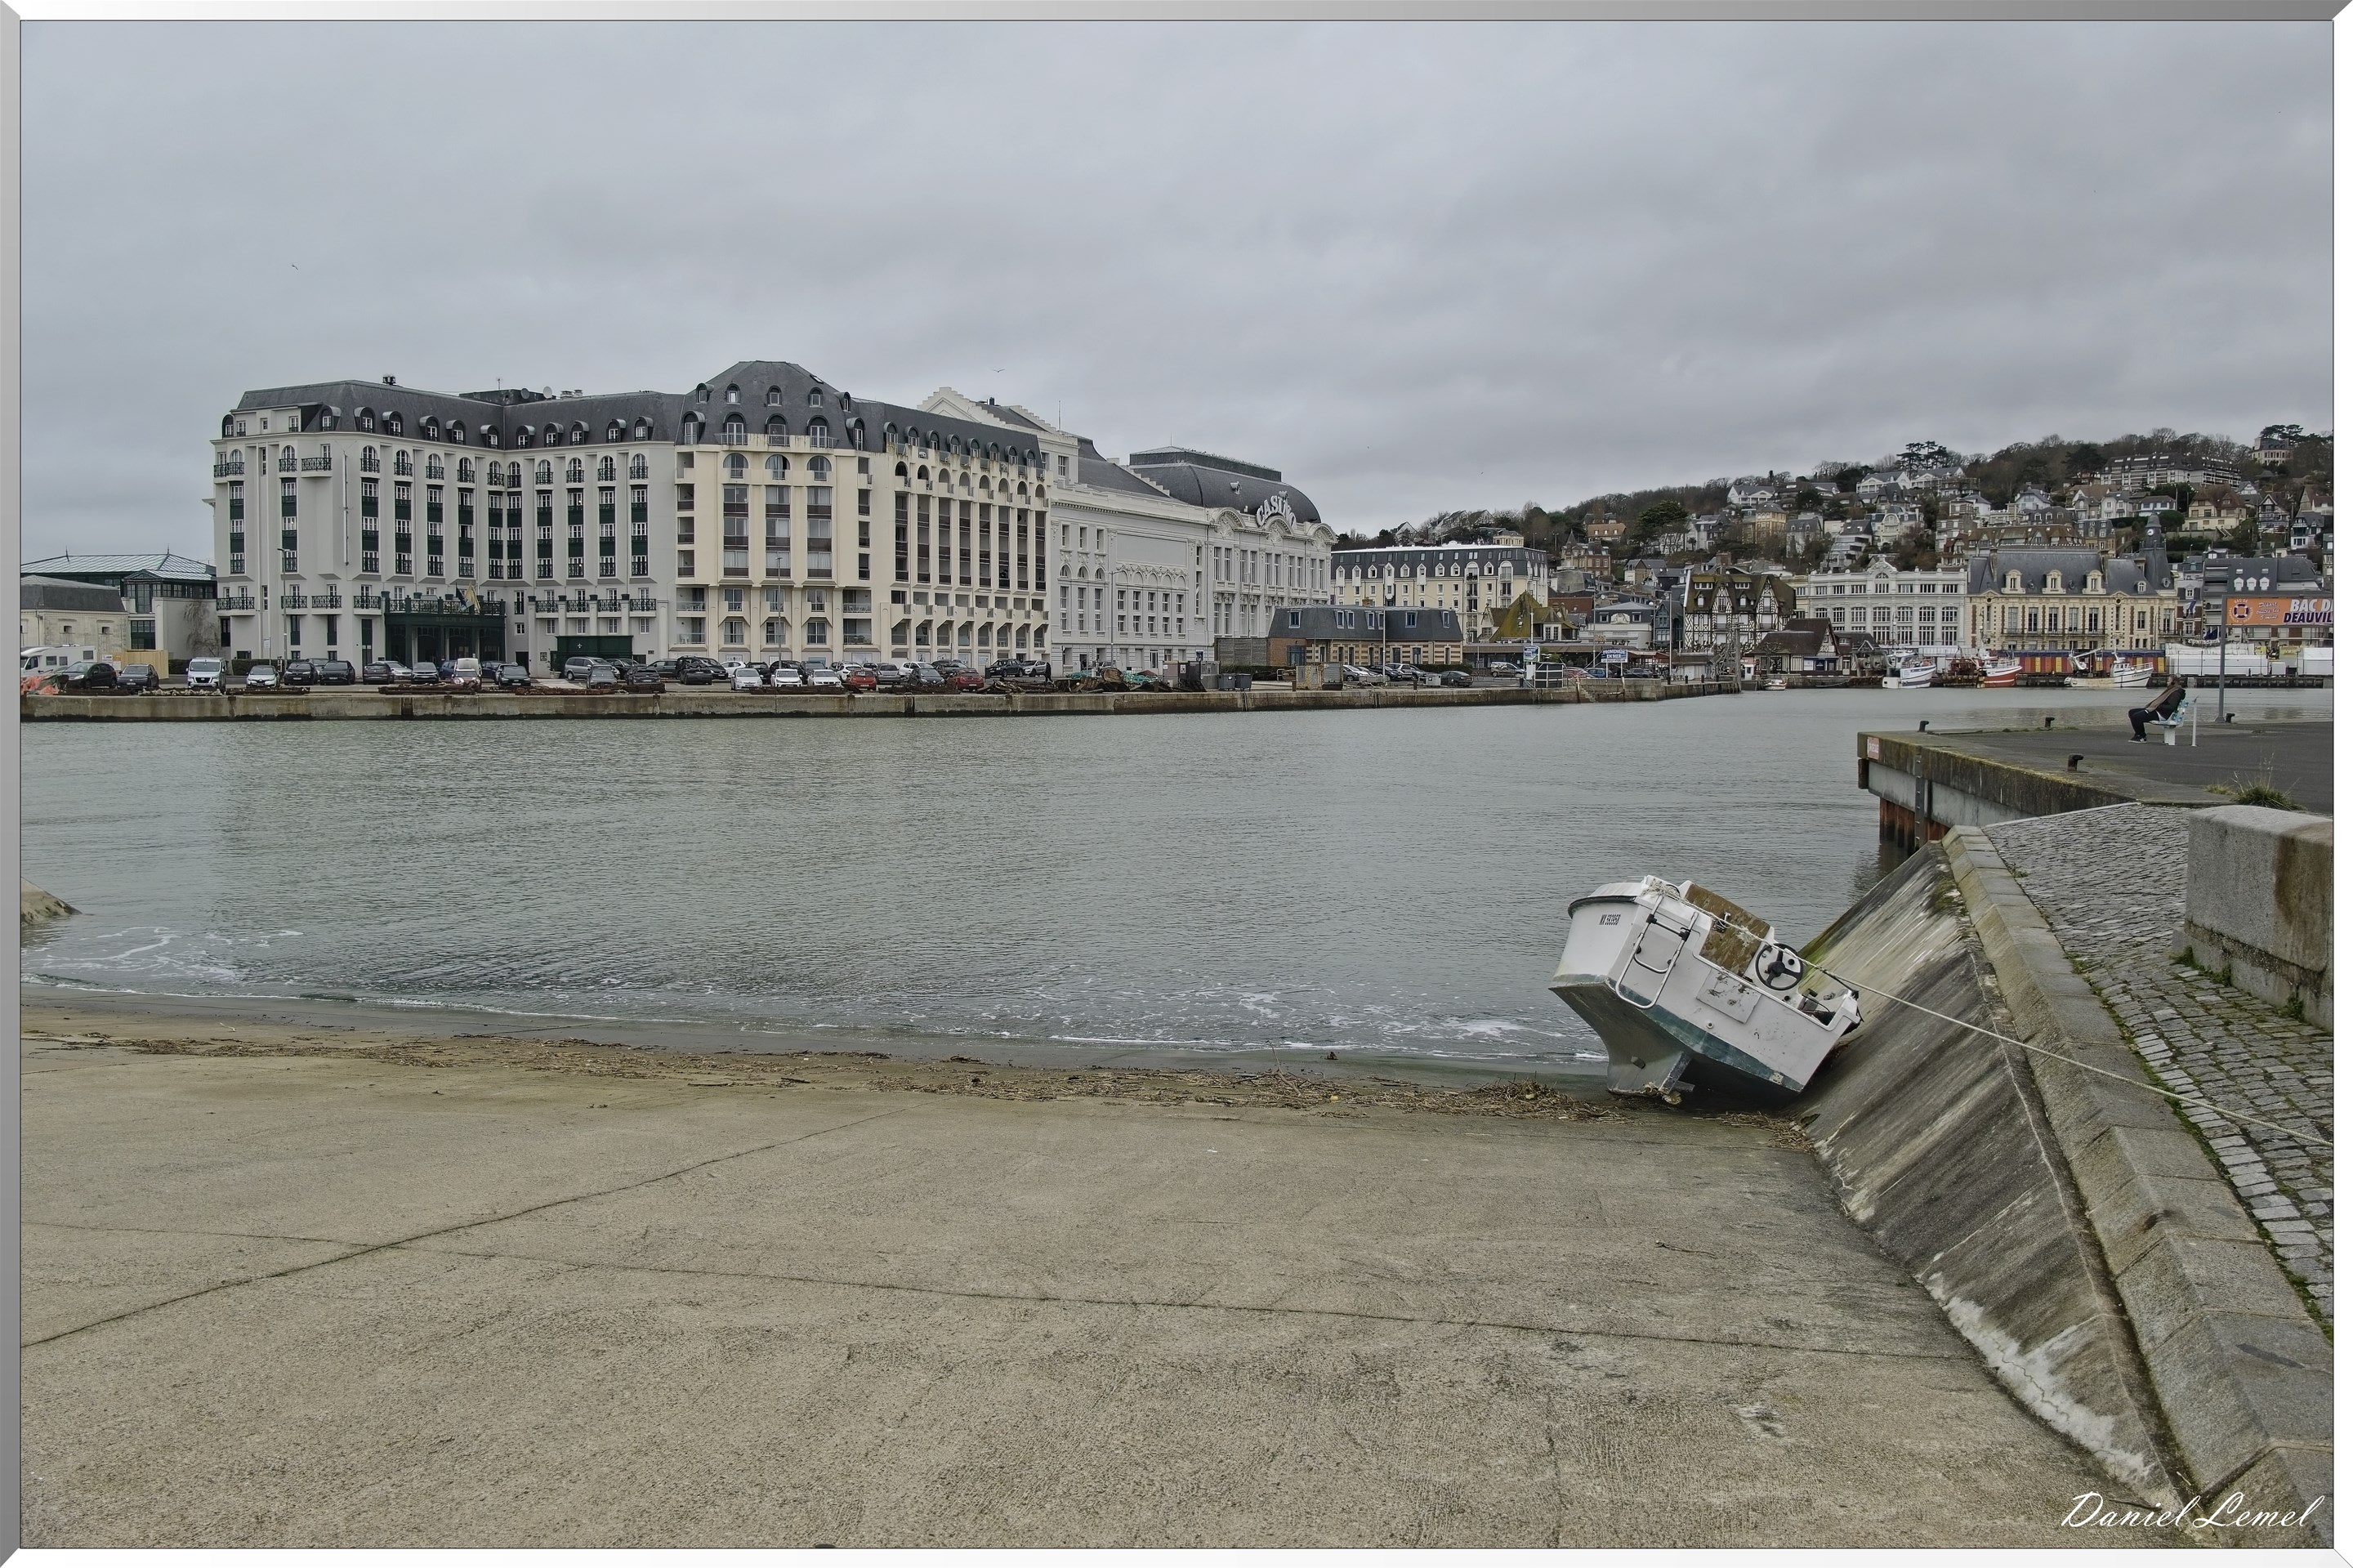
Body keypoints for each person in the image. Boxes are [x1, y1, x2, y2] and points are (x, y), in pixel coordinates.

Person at [2129, 677, 2187, 741]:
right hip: (2158, 711)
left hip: (2162, 714)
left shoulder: (2176, 693)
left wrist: (2157, 706)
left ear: (2173, 682)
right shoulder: (2172, 690)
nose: (2167, 683)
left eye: (2168, 681)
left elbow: (2171, 707)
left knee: (2137, 716)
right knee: (2132, 712)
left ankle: (2141, 736)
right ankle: (2138, 734)